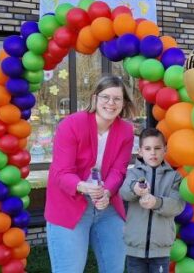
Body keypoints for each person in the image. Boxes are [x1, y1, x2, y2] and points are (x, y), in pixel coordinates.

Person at [45, 75, 136, 273]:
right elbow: (62, 173)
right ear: (94, 98)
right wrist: (84, 187)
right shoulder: (71, 125)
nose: (110, 103)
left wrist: (106, 192)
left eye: (117, 99)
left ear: (124, 103)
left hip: (107, 207)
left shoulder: (126, 131)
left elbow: (118, 170)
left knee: (115, 268)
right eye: (105, 97)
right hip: (69, 205)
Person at [120, 128, 185, 273]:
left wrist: (156, 202)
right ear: (140, 151)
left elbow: (177, 206)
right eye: (148, 148)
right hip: (135, 249)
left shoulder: (174, 177)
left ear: (165, 150)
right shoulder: (133, 173)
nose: (153, 153)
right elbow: (123, 192)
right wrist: (135, 189)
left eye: (157, 148)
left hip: (160, 250)